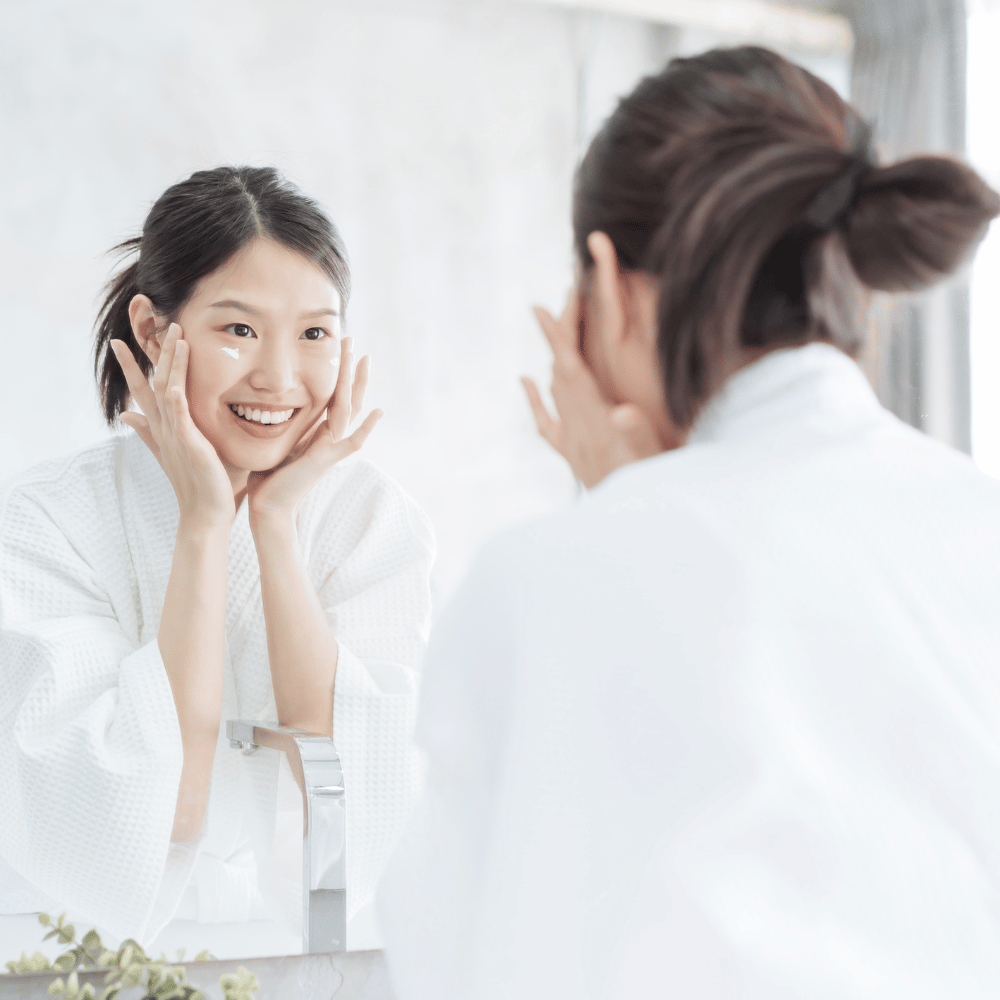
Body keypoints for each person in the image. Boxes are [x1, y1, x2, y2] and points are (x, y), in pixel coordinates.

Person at [377, 46, 1000, 998]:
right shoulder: (974, 522)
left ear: (607, 284)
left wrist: (620, 506)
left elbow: (449, 955)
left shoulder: (553, 581)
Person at [0, 166, 434, 947]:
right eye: (239, 329)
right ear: (156, 330)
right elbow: (162, 811)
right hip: (69, 952)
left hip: (303, 951)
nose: (279, 377)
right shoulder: (44, 523)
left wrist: (272, 522)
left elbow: (354, 812)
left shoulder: (371, 520)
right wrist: (204, 522)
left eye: (315, 334)